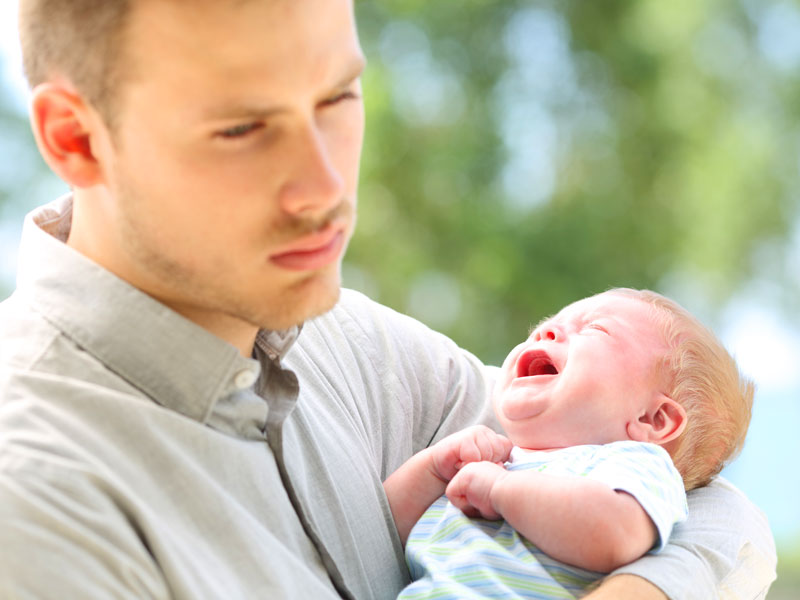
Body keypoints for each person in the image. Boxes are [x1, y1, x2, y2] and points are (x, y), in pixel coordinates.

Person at [0, 0, 775, 598]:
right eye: (243, 128)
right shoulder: (35, 497)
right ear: (76, 137)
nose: (327, 190)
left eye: (339, 98)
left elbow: (712, 505)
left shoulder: (347, 341)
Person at [385, 288, 754, 598]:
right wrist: (433, 468)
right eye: (544, 326)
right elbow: (380, 533)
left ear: (652, 420)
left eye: (594, 329)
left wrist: (502, 490)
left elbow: (615, 534)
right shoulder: (494, 458)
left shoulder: (630, 465)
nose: (545, 333)